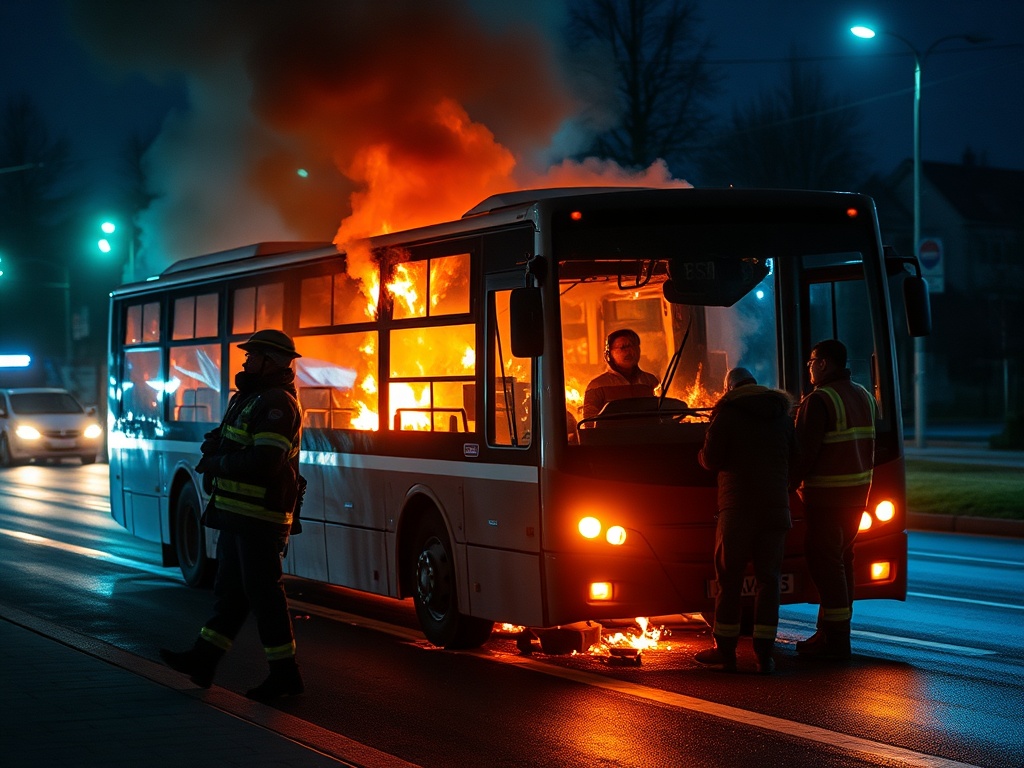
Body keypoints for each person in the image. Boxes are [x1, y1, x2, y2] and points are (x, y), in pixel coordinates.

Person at [160, 329, 305, 700]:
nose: (245, 361)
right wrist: (217, 443)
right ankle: (203, 660)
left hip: (259, 518)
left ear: (269, 361)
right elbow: (239, 442)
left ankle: (285, 678)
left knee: (264, 596)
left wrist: (218, 462)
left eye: (252, 355)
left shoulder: (277, 404)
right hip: (235, 516)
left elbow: (266, 461)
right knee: (233, 594)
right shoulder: (250, 398)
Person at [694, 367, 796, 674]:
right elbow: (795, 457)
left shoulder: (727, 414)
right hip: (776, 509)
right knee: (769, 580)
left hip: (737, 510)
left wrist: (700, 454)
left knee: (729, 579)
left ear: (730, 389)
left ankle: (725, 651)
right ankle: (765, 655)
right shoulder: (781, 415)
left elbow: (711, 460)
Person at [791, 339, 876, 661]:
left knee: (825, 564)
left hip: (826, 498)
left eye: (812, 361)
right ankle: (829, 632)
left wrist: (785, 485)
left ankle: (836, 642)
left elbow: (804, 453)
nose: (809, 367)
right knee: (842, 563)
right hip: (857, 498)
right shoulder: (863, 395)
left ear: (824, 363)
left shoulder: (820, 400)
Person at [582, 328, 660, 420]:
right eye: (623, 347)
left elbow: (662, 415)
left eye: (633, 346)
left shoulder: (650, 381)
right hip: (613, 434)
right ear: (608, 354)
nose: (629, 351)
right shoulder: (597, 386)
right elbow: (590, 424)